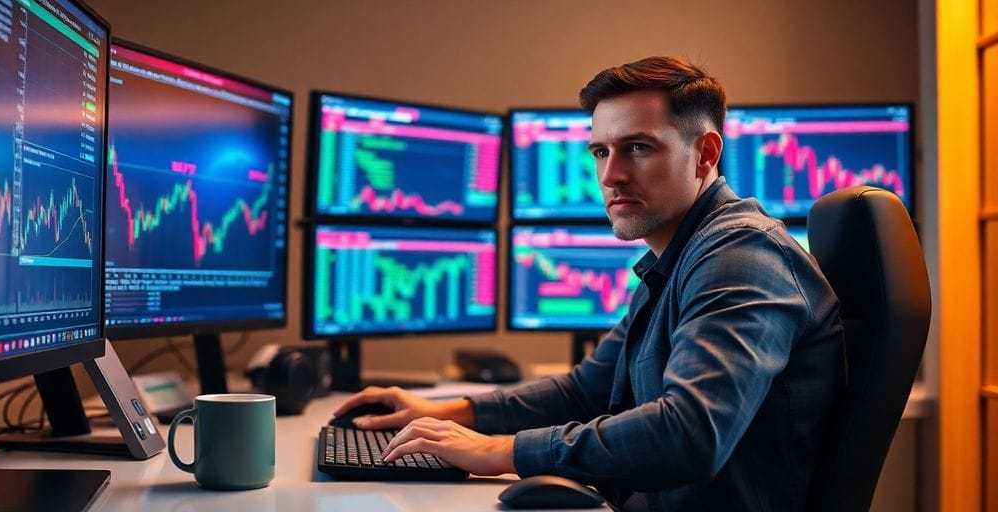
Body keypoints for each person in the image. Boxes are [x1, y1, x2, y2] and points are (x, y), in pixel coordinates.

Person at [332, 56, 845, 511]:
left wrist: (498, 451)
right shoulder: (676, 259)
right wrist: (450, 411)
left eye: (637, 148)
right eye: (601, 151)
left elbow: (690, 433)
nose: (610, 175)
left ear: (705, 154)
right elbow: (585, 390)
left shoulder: (741, 255)